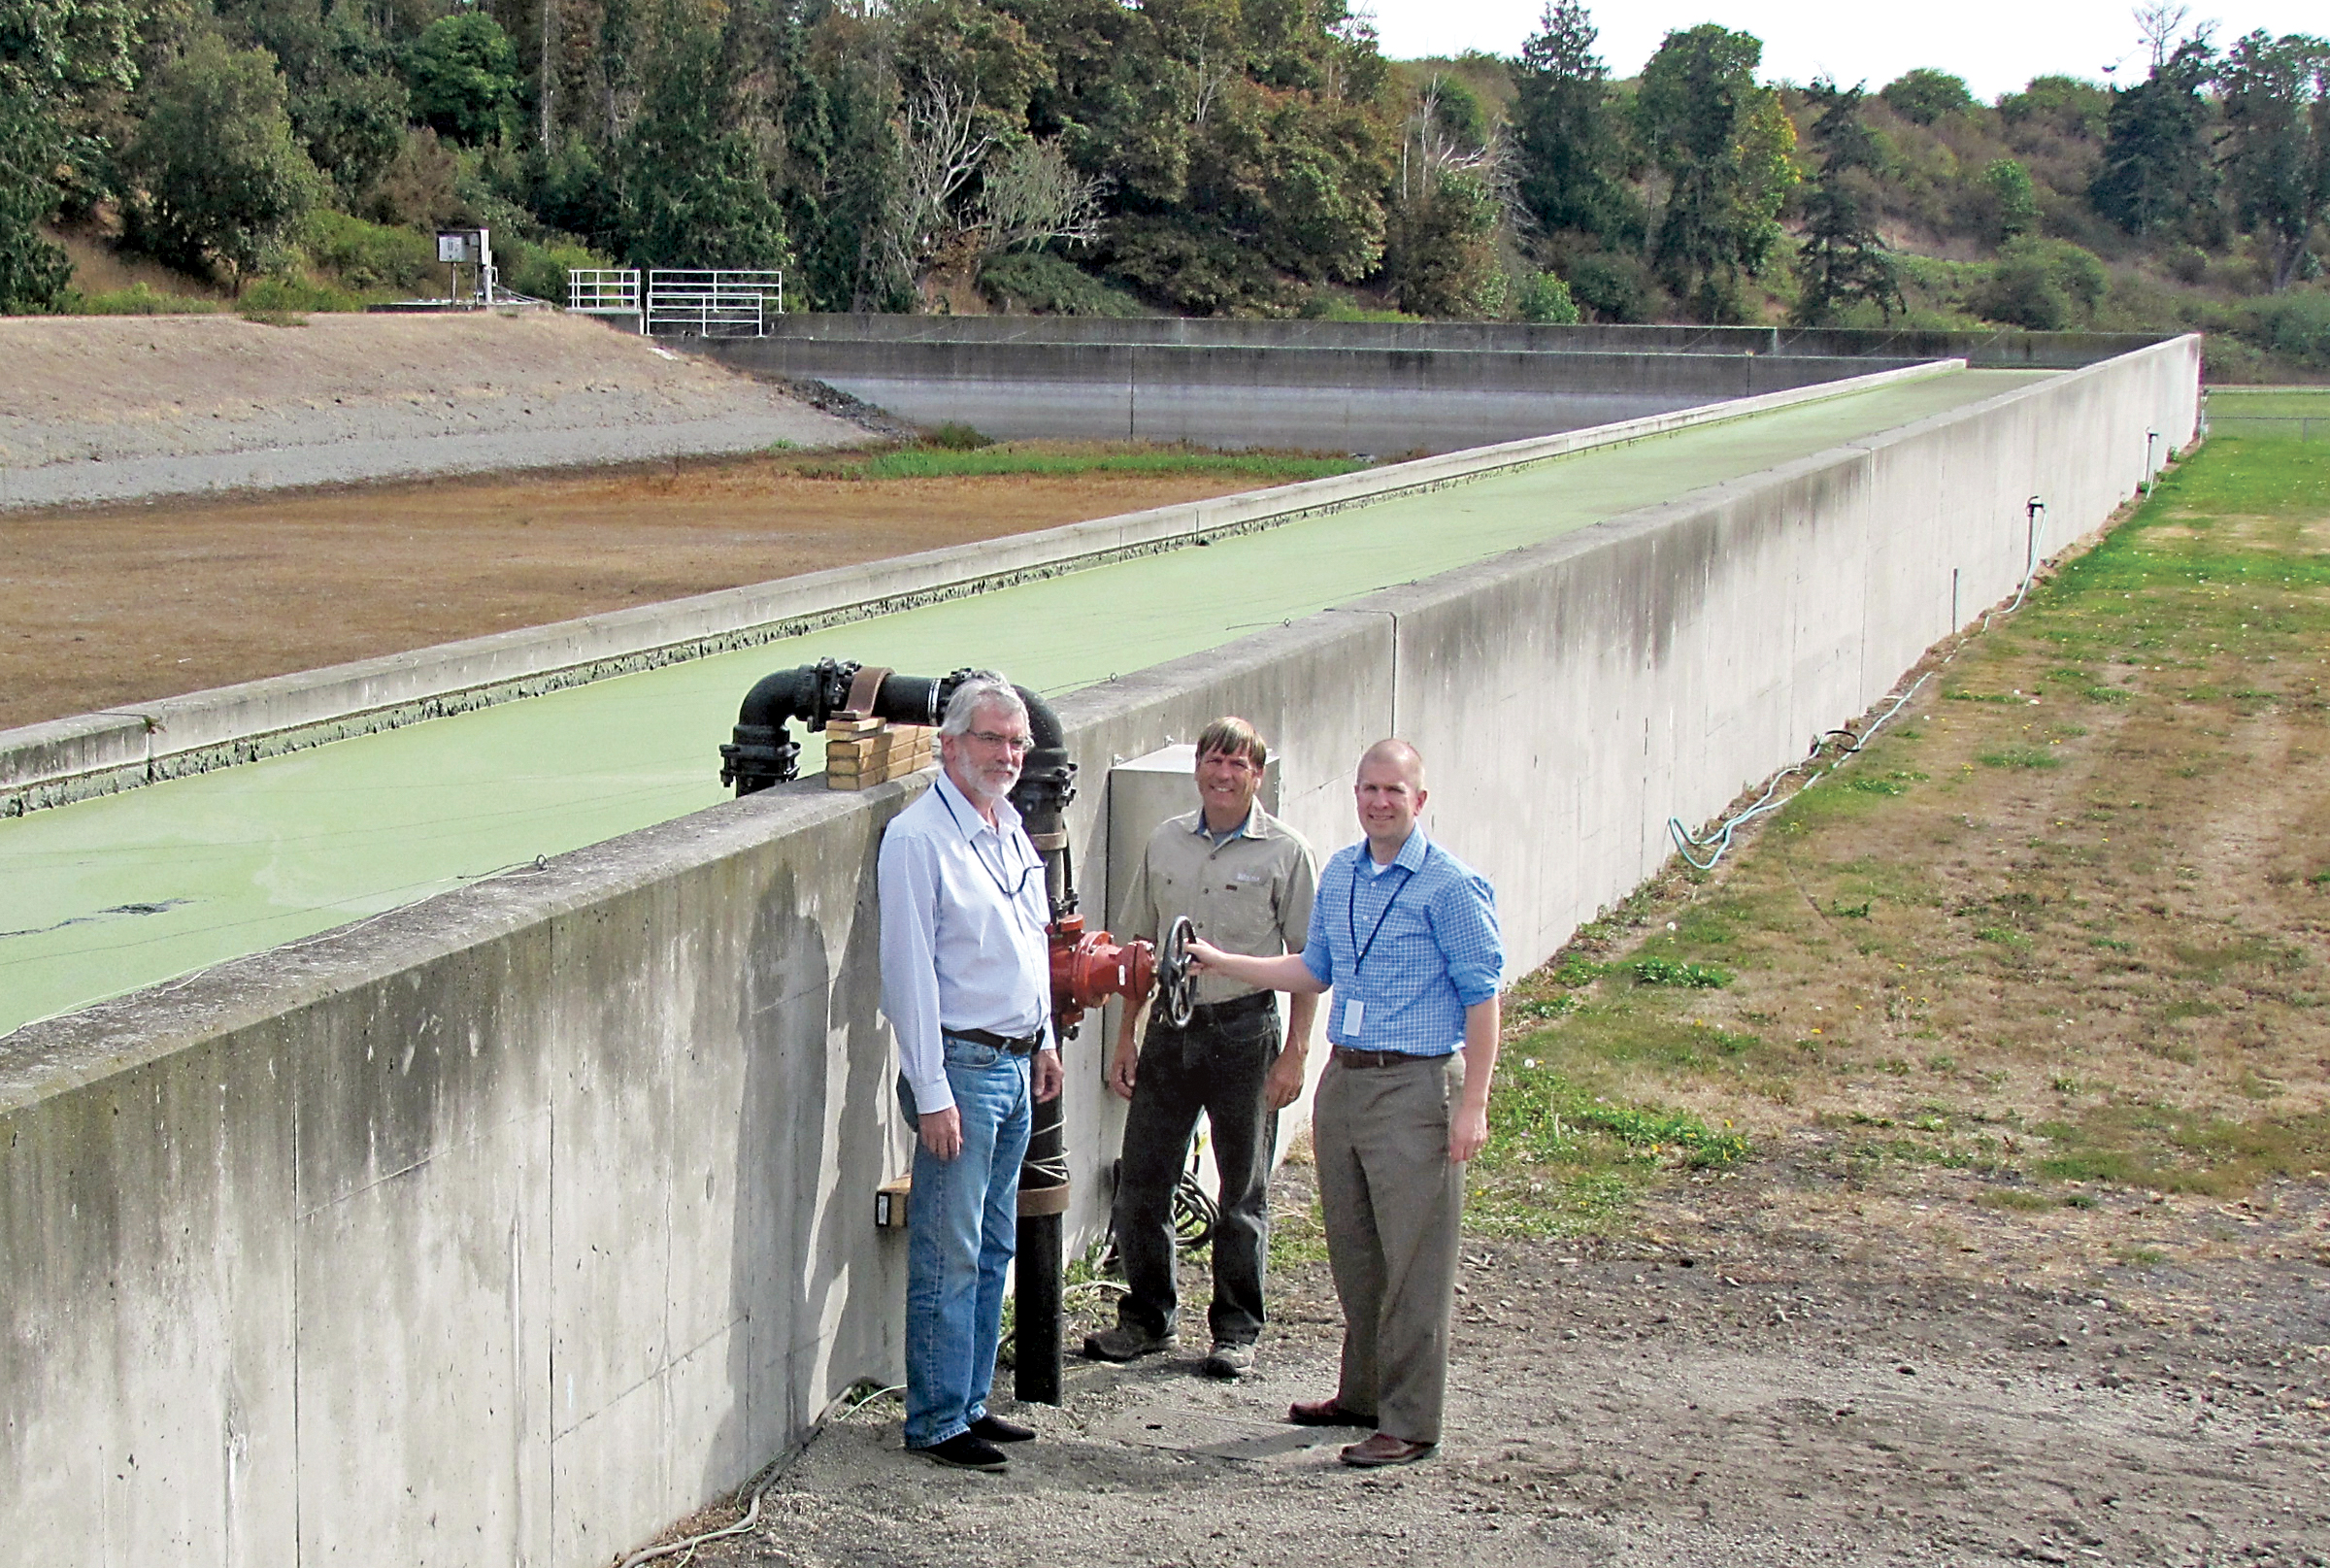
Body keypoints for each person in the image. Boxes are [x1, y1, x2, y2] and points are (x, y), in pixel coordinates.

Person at [1186, 738, 1502, 1469]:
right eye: (1368, 788)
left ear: (1419, 800)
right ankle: (1361, 1393)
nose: (1379, 801)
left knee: (1415, 1261)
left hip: (1417, 1083)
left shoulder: (1451, 886)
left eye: (1394, 790)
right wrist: (1224, 959)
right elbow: (1314, 969)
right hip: (1348, 1080)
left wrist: (1473, 1102)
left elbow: (1484, 997)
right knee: (1356, 1250)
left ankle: (1411, 1420)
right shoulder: (1344, 874)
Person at [1083, 717, 1319, 1379]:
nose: (1223, 774)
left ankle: (1236, 1329)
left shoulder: (1287, 853)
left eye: (1237, 764)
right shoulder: (1165, 842)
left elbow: (1309, 962)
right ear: (1197, 768)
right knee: (1142, 1180)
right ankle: (1147, 1317)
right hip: (1170, 1034)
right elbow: (1139, 950)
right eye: (1213, 761)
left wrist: (1295, 1051)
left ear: (1258, 776)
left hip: (1246, 1033)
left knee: (1243, 1187)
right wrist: (1126, 1035)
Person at [877, 672, 1065, 1472]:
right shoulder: (920, 839)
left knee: (992, 1244)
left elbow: (1032, 938)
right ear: (950, 744)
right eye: (992, 738)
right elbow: (908, 972)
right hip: (962, 1064)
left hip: (1018, 1061)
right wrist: (932, 1090)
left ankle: (971, 1398)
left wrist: (1048, 1036)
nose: (1009, 754)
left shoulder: (1007, 826)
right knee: (949, 1250)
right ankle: (935, 1417)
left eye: (1017, 741)